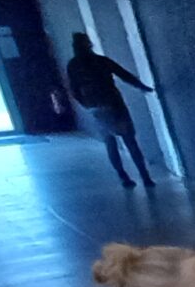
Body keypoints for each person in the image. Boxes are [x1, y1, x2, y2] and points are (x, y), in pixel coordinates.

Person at [66, 32, 155, 190]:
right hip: (114, 103)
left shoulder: (73, 65)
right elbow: (124, 75)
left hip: (96, 107)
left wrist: (86, 104)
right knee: (130, 141)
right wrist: (142, 86)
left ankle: (123, 176)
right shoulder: (101, 61)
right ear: (89, 44)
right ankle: (145, 176)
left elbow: (74, 89)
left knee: (110, 142)